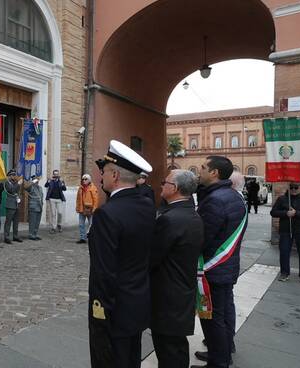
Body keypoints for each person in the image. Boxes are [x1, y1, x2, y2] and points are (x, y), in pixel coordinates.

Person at [88, 140, 156, 368]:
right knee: (130, 359)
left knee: (108, 360)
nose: (102, 176)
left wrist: (100, 312)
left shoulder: (107, 214)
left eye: (105, 171)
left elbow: (104, 272)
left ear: (115, 175)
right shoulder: (147, 205)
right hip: (136, 303)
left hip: (113, 310)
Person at [192, 156, 247, 368]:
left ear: (214, 173)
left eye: (204, 168)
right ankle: (220, 355)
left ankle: (218, 361)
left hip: (213, 269)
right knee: (222, 315)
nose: (200, 170)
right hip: (226, 267)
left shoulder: (215, 200)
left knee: (212, 318)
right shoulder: (233, 196)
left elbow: (203, 239)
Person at [150, 169, 204, 368]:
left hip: (168, 294)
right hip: (182, 291)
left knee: (168, 349)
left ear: (175, 189)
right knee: (177, 346)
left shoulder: (170, 218)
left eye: (165, 182)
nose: (161, 185)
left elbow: (153, 257)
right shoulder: (191, 214)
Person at [270, 182, 300, 285]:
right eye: (291, 187)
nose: (293, 189)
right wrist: (285, 213)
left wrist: (297, 213)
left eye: (296, 187)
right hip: (286, 229)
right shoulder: (282, 199)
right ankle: (284, 273)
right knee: (284, 252)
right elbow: (273, 212)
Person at [76, 174, 99, 243]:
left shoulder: (93, 188)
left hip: (90, 209)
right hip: (82, 209)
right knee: (81, 224)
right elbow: (78, 199)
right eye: (83, 179)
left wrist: (94, 209)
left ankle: (92, 237)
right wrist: (77, 207)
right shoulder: (80, 188)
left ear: (89, 180)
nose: (84, 180)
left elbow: (96, 199)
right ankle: (83, 238)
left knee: (91, 224)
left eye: (86, 179)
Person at [3, 169, 23, 244]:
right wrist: (18, 184)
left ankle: (15, 236)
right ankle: (6, 237)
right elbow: (11, 190)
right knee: (8, 221)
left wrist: (19, 198)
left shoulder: (14, 183)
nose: (14, 177)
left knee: (16, 221)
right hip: (10, 204)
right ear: (10, 176)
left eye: (15, 175)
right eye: (13, 175)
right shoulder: (7, 183)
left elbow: (18, 192)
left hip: (16, 204)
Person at [24, 174, 44, 240]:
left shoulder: (40, 188)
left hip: (39, 206)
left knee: (37, 222)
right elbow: (26, 187)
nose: (37, 181)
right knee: (32, 221)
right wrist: (33, 181)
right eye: (36, 180)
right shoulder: (31, 187)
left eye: (37, 180)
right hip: (33, 207)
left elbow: (41, 197)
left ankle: (35, 234)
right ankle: (31, 234)